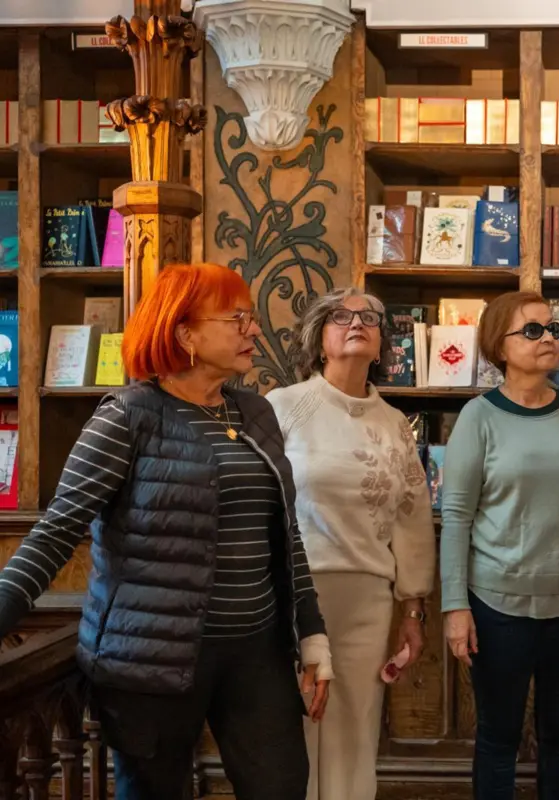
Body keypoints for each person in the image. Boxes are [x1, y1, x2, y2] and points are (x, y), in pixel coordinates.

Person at [0, 263, 331, 800]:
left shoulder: (255, 413)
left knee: (283, 786)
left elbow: (286, 536)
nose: (254, 330)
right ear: (186, 334)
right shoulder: (127, 417)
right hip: (150, 660)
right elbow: (55, 532)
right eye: (237, 318)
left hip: (257, 653)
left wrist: (312, 637)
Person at [439, 290, 559, 800]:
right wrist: (454, 605)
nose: (549, 338)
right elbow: (456, 517)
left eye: (553, 329)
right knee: (498, 736)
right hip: (496, 605)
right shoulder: (477, 418)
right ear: (499, 346)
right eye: (533, 330)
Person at [267, 288, 436, 800]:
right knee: (290, 727)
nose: (356, 322)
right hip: (292, 595)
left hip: (368, 600)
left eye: (370, 317)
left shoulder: (394, 426)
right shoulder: (282, 408)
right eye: (341, 316)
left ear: (383, 345)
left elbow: (412, 519)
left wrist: (413, 610)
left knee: (354, 730)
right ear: (319, 340)